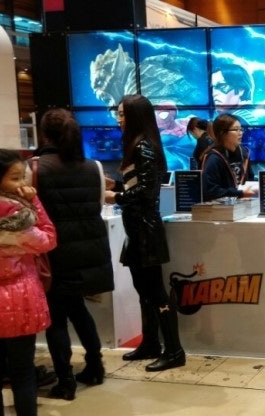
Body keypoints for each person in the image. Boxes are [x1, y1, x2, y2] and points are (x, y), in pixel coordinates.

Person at [34, 109, 115, 401]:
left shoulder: (35, 168)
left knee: (56, 317)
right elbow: (98, 206)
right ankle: (95, 365)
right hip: (90, 250)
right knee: (78, 309)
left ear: (44, 135)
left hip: (54, 253)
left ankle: (65, 380)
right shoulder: (94, 167)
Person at [104, 94, 185, 372]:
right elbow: (139, 186)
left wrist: (115, 196)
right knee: (145, 292)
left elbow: (146, 192)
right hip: (137, 228)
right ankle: (151, 343)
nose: (118, 119)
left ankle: (174, 350)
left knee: (155, 292)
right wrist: (117, 186)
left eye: (123, 114)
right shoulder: (139, 145)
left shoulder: (143, 146)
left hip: (145, 230)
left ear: (135, 117)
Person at [0, 149, 56, 416]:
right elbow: (49, 239)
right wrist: (35, 202)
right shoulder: (19, 219)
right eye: (15, 178)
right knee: (23, 373)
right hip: (21, 304)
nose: (22, 184)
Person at [201, 113, 256, 202]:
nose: (240, 133)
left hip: (243, 205)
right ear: (223, 133)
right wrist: (239, 193)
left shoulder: (244, 153)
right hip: (222, 208)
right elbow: (211, 190)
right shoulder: (214, 158)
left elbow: (250, 178)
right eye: (236, 129)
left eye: (241, 129)